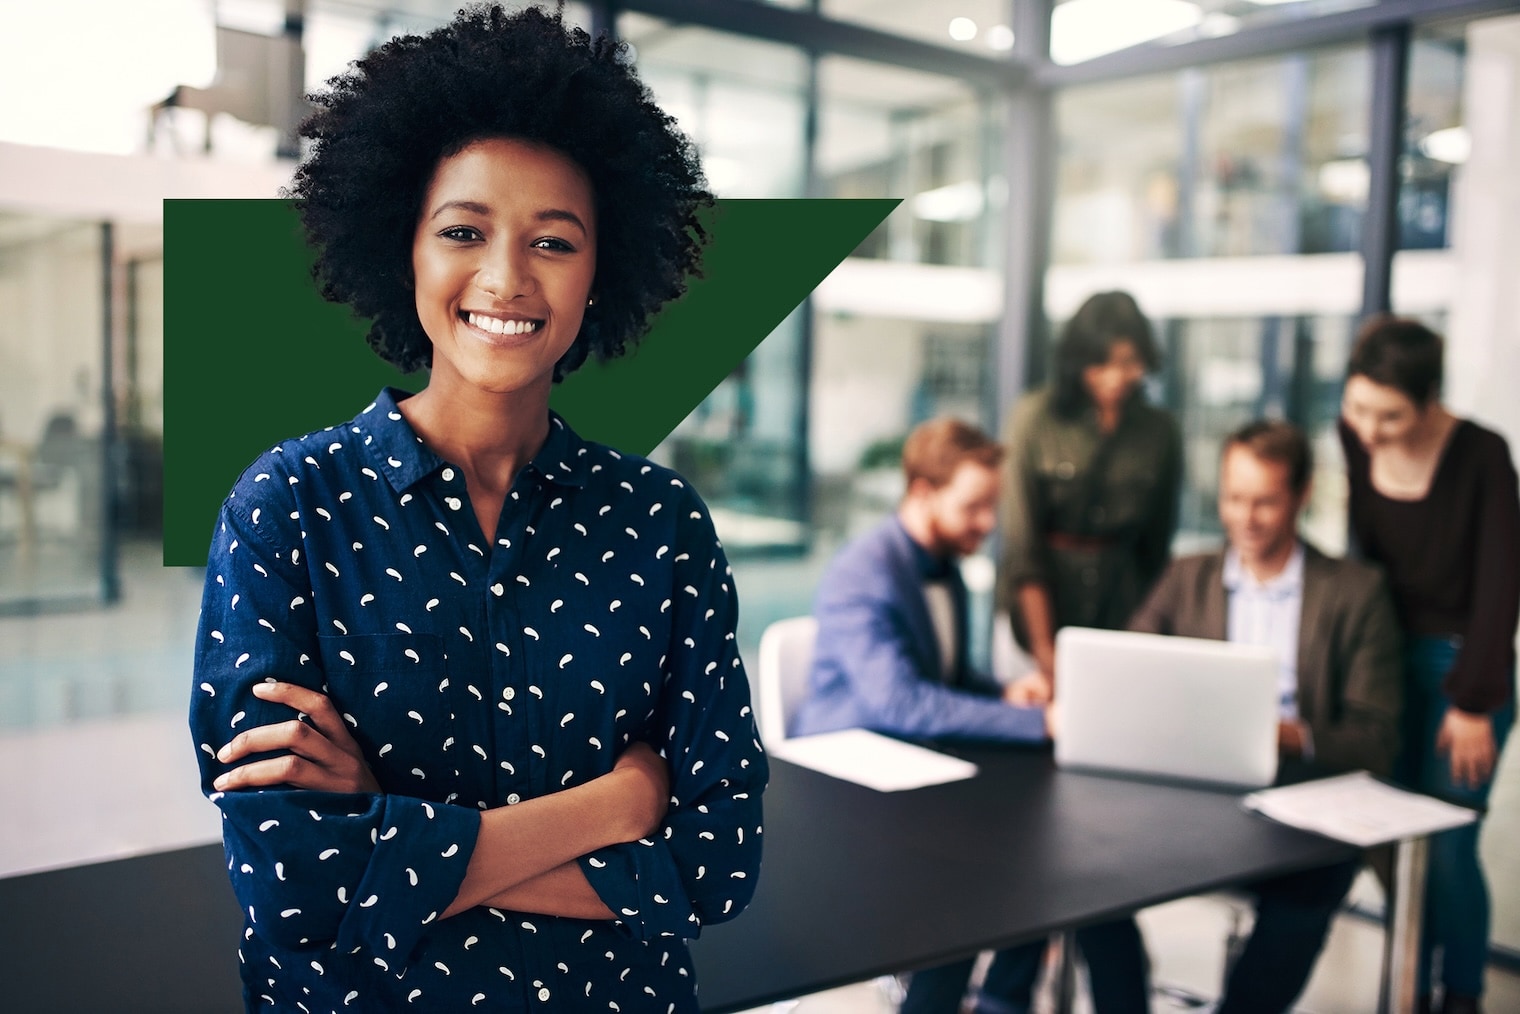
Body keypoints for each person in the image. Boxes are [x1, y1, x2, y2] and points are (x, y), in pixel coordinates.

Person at [188, 8, 767, 1011]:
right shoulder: (289, 508)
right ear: (403, 249)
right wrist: (620, 803)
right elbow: (294, 884)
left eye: (554, 240)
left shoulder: (661, 525)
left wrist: (386, 830)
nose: (506, 278)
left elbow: (718, 864)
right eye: (463, 231)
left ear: (600, 273)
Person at [792, 417, 1149, 1014]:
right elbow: (902, 702)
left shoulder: (946, 566)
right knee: (979, 881)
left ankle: (1003, 1000)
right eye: (974, 507)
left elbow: (948, 677)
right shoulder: (865, 572)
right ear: (923, 492)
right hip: (843, 794)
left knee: (1046, 853)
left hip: (919, 776)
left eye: (992, 507)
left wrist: (1008, 693)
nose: (988, 523)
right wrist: (1042, 723)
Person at [1130, 419, 1403, 1014]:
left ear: (1302, 495)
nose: (1245, 518)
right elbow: (1131, 671)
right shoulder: (1187, 577)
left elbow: (1375, 736)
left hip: (1301, 798)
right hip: (1195, 789)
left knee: (1316, 881)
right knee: (1085, 874)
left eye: (1265, 502)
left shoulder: (1355, 592)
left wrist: (1285, 734)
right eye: (1233, 498)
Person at [1339, 316, 1519, 1014]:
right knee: (1392, 842)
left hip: (1462, 666)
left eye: (1390, 416)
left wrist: (1473, 702)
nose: (1369, 430)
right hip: (1384, 656)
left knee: (1447, 844)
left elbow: (1501, 587)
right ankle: (1407, 985)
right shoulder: (1355, 437)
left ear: (1430, 400)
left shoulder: (1483, 455)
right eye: (1359, 408)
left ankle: (1461, 995)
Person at [998, 291, 1181, 705]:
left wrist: (1144, 639)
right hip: (1037, 618)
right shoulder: (1034, 417)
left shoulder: (1159, 431)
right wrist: (1045, 651)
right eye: (1102, 363)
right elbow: (1022, 547)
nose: (1115, 377)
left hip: (1121, 616)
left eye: (1129, 363)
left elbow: (1155, 549)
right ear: (1078, 361)